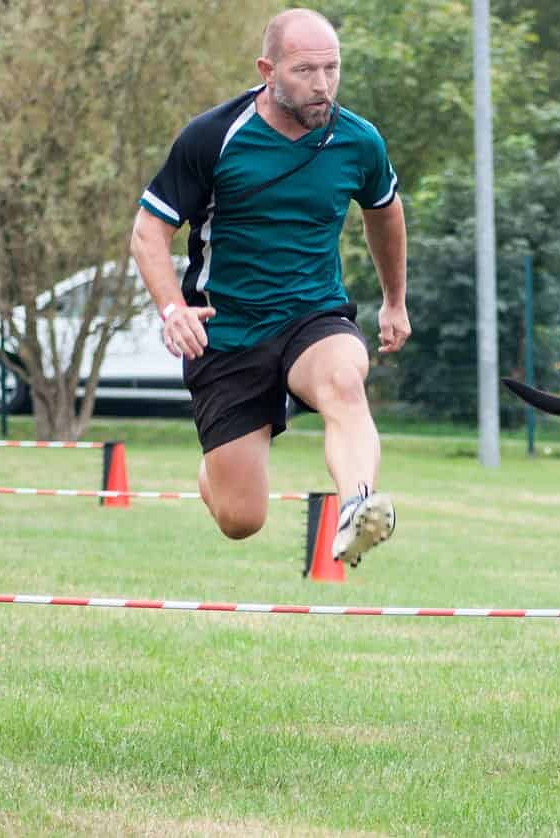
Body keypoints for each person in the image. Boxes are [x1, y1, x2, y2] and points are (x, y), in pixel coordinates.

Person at [130, 7, 409, 567]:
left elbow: (385, 212)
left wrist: (394, 300)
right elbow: (147, 231)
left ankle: (358, 505)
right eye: (306, 71)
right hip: (226, 331)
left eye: (331, 69)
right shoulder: (213, 138)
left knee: (344, 381)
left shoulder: (359, 141)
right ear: (267, 69)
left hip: (312, 314)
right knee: (241, 519)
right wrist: (171, 309)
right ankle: (216, 465)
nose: (322, 85)